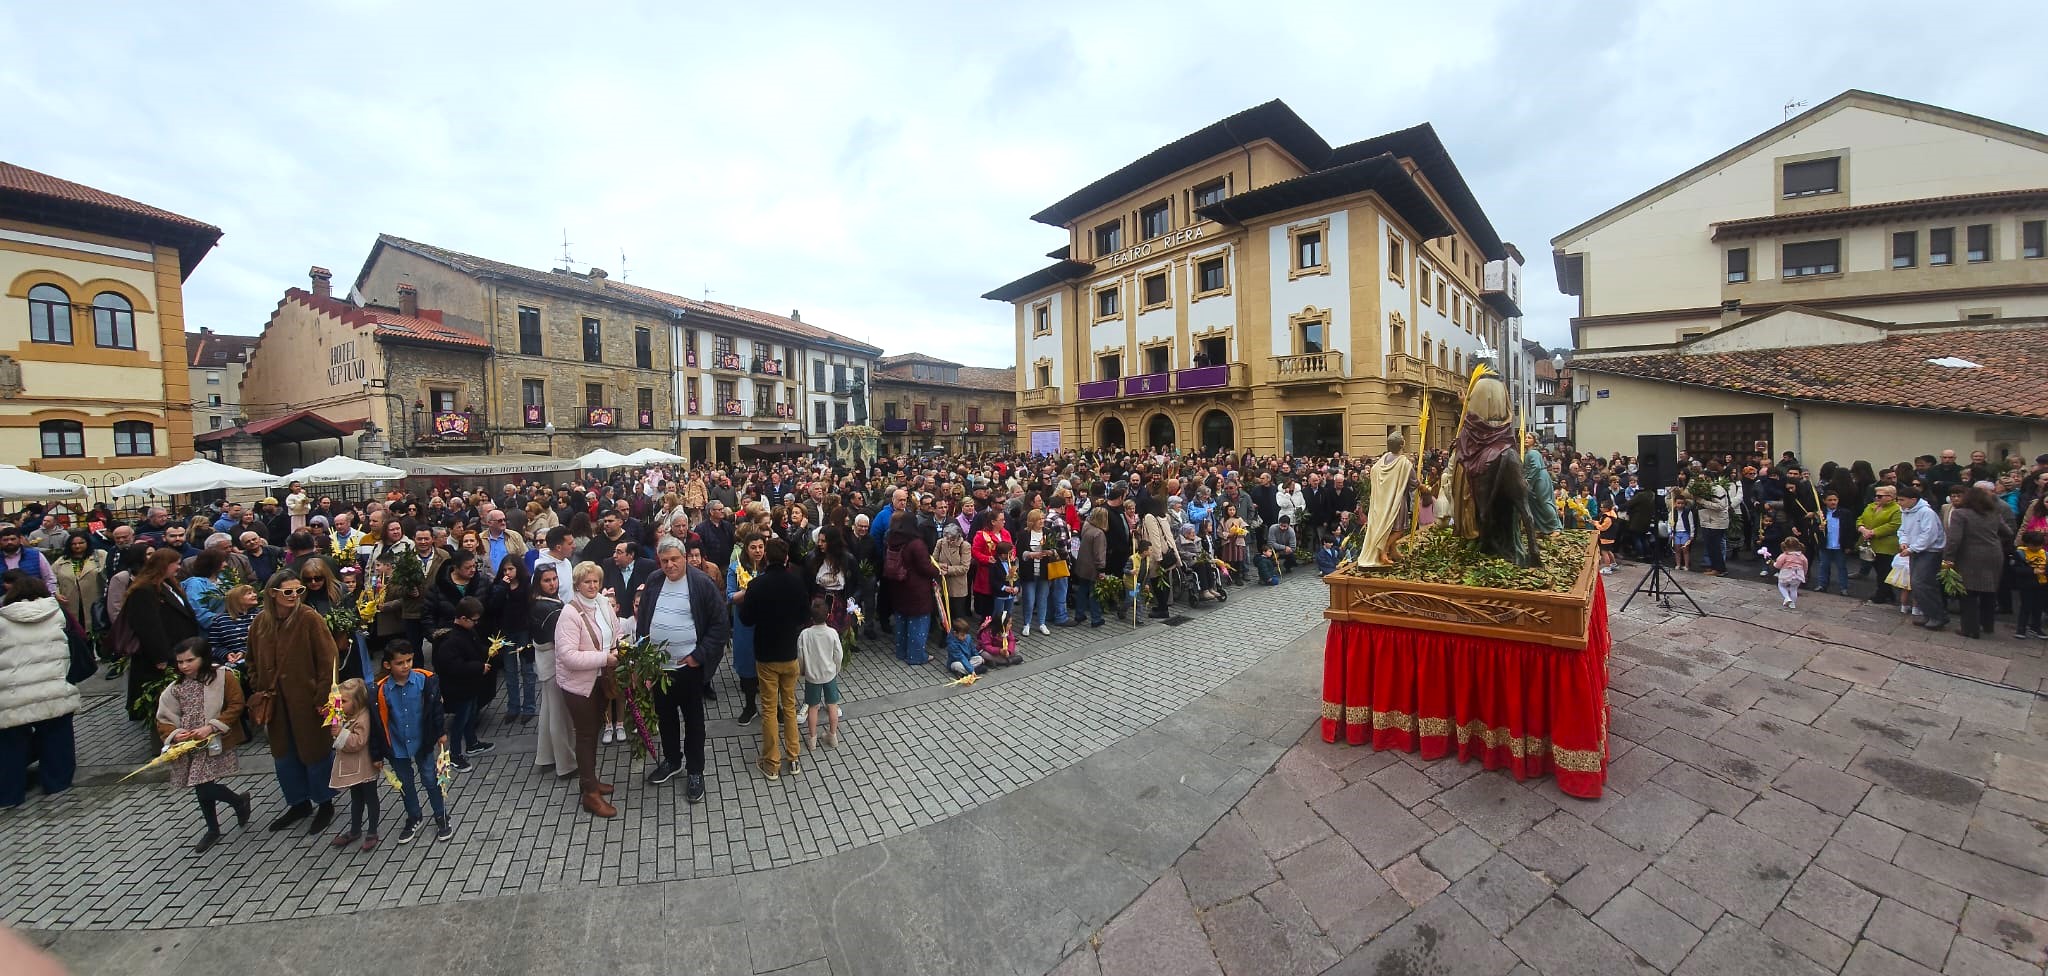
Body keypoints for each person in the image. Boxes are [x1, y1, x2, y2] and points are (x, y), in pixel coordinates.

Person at [627, 540, 729, 803]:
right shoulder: (654, 580)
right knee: (666, 718)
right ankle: (673, 761)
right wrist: (642, 659)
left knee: (693, 721)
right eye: (664, 561)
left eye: (674, 559)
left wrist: (698, 655)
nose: (669, 565)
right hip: (659, 669)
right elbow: (644, 620)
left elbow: (720, 625)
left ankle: (695, 770)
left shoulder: (702, 583)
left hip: (688, 669)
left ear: (684, 557)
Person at [248, 568, 341, 835]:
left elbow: (329, 660)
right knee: (284, 755)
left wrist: (322, 696)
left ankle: (325, 802)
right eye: (288, 591)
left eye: (299, 590)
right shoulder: (260, 623)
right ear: (272, 593)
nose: (294, 595)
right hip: (276, 703)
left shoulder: (309, 619)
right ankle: (298, 802)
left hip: (307, 701)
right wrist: (258, 683)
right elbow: (251, 658)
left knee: (315, 752)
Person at [154, 637, 250, 851]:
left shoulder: (222, 676)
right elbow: (164, 717)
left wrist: (212, 727)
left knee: (203, 786)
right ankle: (216, 825)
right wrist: (175, 734)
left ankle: (235, 805)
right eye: (180, 662)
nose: (184, 666)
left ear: (203, 658)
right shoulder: (176, 687)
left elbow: (236, 704)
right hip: (191, 743)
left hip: (214, 740)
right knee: (201, 785)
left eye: (190, 660)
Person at [0, 572, 80, 808]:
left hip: (12, 695)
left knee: (10, 746)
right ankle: (57, 785)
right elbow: (78, 642)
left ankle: (10, 795)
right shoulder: (58, 613)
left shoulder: (2, 619)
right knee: (56, 738)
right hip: (54, 688)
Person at [554, 562, 624, 817]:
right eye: (587, 582)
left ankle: (589, 781)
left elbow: (616, 632)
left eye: (595, 581)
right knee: (585, 735)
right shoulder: (569, 613)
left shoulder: (603, 603)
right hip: (578, 686)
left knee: (594, 731)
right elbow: (568, 656)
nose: (592, 586)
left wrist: (618, 649)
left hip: (600, 680)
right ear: (577, 585)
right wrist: (605, 658)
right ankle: (590, 795)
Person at [368, 641, 452, 843]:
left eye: (409, 660)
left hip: (422, 741)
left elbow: (435, 708)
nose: (405, 666)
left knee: (431, 779)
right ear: (387, 665)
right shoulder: (380, 690)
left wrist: (440, 731)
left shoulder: (425, 680)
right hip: (396, 745)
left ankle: (440, 814)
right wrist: (376, 754)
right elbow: (376, 724)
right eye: (400, 663)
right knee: (405, 783)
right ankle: (414, 816)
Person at [740, 537, 809, 781]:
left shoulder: (757, 585)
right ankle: (794, 757)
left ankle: (771, 762)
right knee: (789, 706)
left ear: (766, 558)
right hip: (789, 653)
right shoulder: (796, 582)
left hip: (766, 654)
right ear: (787, 558)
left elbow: (746, 619)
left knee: (769, 709)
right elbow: (804, 615)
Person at [121, 548, 199, 730]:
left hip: (182, 647)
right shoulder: (144, 591)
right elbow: (148, 627)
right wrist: (160, 656)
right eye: (176, 564)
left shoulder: (168, 585)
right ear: (164, 565)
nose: (179, 568)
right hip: (165, 653)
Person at [1944, 484, 2015, 639]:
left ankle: (1970, 628)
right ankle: (1987, 625)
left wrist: (1948, 558)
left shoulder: (1960, 514)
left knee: (1968, 592)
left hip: (1969, 556)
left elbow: (1954, 539)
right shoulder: (1994, 513)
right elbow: (2008, 532)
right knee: (1989, 590)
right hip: (1994, 554)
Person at [527, 565, 575, 780]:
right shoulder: (547, 607)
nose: (553, 583)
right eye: (547, 580)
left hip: (545, 660)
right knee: (560, 716)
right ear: (538, 583)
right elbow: (562, 640)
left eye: (554, 579)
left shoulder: (541, 602)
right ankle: (566, 764)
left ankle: (546, 756)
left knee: (549, 712)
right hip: (554, 661)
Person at [435, 597, 493, 771]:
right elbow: (453, 666)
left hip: (470, 685)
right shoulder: (450, 640)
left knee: (470, 716)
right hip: (458, 689)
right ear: (463, 618)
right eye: (474, 620)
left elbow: (476, 649)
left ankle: (472, 743)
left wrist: (489, 652)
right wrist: (479, 667)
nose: (476, 623)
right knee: (460, 721)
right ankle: (454, 755)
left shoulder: (467, 631)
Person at [326, 677, 381, 851]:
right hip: (353, 768)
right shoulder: (346, 715)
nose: (339, 705)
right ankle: (355, 830)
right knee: (356, 798)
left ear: (357, 702)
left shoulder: (363, 718)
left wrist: (341, 733)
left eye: (344, 701)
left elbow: (358, 742)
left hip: (365, 767)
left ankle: (372, 831)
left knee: (371, 798)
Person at [883, 502, 939, 663]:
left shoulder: (892, 539)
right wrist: (937, 571)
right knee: (918, 621)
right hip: (916, 589)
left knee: (902, 620)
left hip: (898, 585)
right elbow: (925, 567)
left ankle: (901, 651)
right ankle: (916, 656)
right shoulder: (916, 543)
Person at [484, 560, 535, 723]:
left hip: (524, 631)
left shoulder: (526, 584)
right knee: (510, 671)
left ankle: (529, 707)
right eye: (505, 569)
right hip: (506, 633)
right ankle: (513, 708)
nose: (508, 573)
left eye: (511, 569)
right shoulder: (499, 586)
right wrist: (502, 588)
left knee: (527, 670)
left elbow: (531, 607)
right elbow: (492, 606)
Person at [726, 530, 766, 726]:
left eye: (761, 547)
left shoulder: (770, 567)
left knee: (769, 665)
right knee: (748, 665)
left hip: (766, 623)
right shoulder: (736, 568)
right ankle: (750, 706)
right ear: (746, 549)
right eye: (753, 547)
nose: (758, 551)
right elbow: (730, 596)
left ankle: (773, 705)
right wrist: (749, 590)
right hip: (745, 624)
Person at [1897, 486, 1949, 630]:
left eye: (1902, 500)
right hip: (1915, 550)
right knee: (1916, 584)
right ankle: (1928, 613)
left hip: (1930, 551)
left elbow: (1929, 534)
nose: (1899, 503)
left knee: (1922, 583)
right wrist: (1903, 542)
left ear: (1913, 500)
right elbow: (1903, 530)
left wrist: (1912, 548)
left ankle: (1938, 616)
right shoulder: (1905, 512)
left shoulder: (1926, 512)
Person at [1361, 433, 1416, 567]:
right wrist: (1424, 487)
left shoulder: (1382, 460)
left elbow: (1374, 472)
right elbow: (1413, 482)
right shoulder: (1404, 463)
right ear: (1402, 445)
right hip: (1396, 500)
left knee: (1390, 528)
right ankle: (1384, 550)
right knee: (1399, 529)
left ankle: (1393, 551)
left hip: (1381, 501)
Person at [798, 597, 843, 750]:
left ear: (811, 617)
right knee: (832, 705)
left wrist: (803, 670)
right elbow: (838, 654)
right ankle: (833, 735)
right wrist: (836, 668)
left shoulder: (805, 634)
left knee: (812, 707)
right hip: (829, 675)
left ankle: (812, 739)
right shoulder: (832, 633)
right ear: (828, 615)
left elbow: (800, 656)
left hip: (812, 676)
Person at [1858, 485, 1903, 607]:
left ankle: (1881, 595)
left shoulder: (1897, 509)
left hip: (1886, 545)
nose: (1876, 498)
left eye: (1880, 496)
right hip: (1870, 544)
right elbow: (1860, 519)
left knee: (1884, 571)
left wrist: (1873, 532)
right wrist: (1862, 528)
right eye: (1876, 496)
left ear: (1891, 497)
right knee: (1878, 570)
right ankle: (1888, 594)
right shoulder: (1871, 506)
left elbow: (1894, 525)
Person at [1074, 508, 1108, 627]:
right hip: (1092, 567)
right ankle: (1096, 618)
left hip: (1082, 565)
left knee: (1082, 590)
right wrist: (1101, 569)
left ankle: (1079, 614)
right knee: (1094, 593)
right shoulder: (1099, 534)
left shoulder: (1087, 527)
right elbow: (1099, 554)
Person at [2015, 530, 2047, 640]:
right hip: (2027, 585)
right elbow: (2016, 569)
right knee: (2026, 607)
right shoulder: (2020, 553)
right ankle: (2021, 628)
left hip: (2042, 585)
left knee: (2039, 607)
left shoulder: (2045, 554)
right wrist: (2032, 571)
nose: (2037, 548)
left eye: (2039, 545)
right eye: (2034, 545)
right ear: (2027, 543)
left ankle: (2036, 627)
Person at [1772, 538, 1809, 610]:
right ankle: (1793, 604)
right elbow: (1805, 566)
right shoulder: (1801, 556)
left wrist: (1774, 563)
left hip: (1786, 573)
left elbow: (1778, 565)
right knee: (1794, 589)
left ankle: (1787, 598)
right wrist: (1804, 574)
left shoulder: (1784, 555)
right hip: (1798, 574)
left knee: (1781, 585)